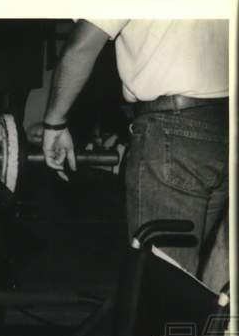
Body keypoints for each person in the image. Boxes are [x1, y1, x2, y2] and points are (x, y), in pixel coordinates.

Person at [42, 20, 228, 282]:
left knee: (163, 285)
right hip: (223, 126)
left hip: (172, 130)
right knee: (196, 289)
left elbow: (81, 48)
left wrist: (54, 122)